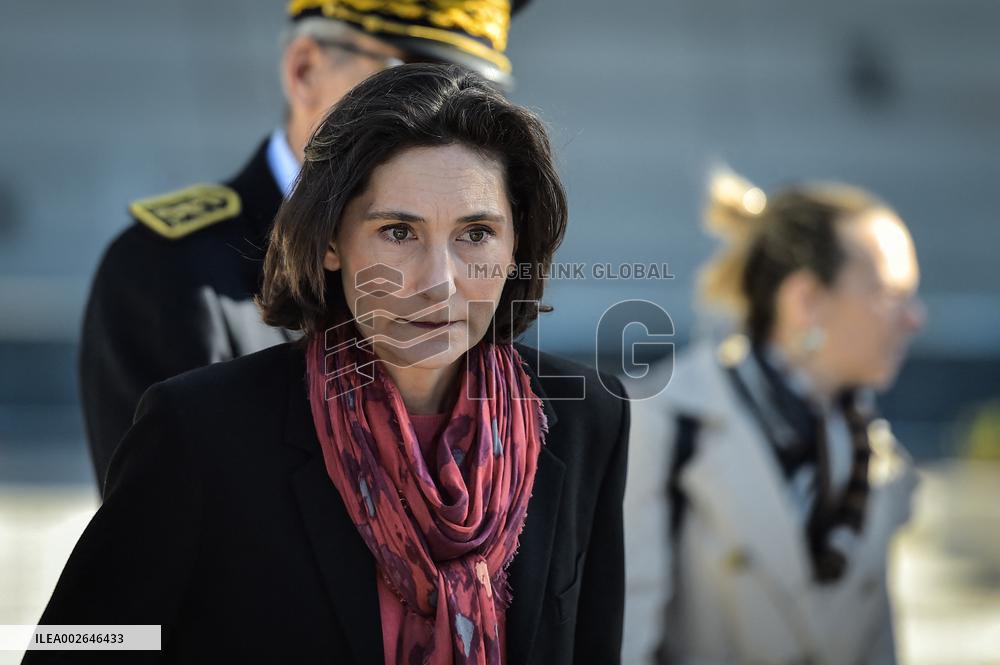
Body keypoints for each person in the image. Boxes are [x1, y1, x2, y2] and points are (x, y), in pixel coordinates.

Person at [28, 64, 629, 665]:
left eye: (476, 233)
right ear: (332, 243)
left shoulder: (586, 421)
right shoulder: (201, 430)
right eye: (398, 231)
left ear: (516, 245)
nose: (439, 283)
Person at [80, 0, 532, 490]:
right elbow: (175, 535)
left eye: (472, 92)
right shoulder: (170, 271)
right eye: (405, 80)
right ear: (304, 71)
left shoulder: (471, 263)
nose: (442, 115)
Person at [622, 170, 925, 665]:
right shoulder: (663, 420)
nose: (915, 317)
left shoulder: (873, 450)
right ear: (806, 299)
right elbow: (626, 640)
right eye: (891, 293)